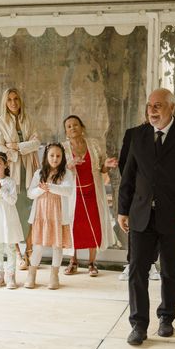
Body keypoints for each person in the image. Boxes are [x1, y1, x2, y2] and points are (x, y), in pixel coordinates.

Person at [118, 88, 175, 346]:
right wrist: (122, 210)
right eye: (149, 106)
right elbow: (128, 177)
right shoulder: (136, 136)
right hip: (141, 215)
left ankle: (166, 317)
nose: (152, 110)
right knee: (137, 270)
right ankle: (138, 325)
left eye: (158, 106)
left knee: (170, 271)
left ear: (172, 108)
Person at [61, 115, 117, 277]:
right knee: (73, 227)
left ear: (82, 127)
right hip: (73, 194)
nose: (73, 128)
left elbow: (101, 169)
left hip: (92, 192)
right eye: (69, 126)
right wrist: (69, 166)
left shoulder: (93, 144)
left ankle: (92, 263)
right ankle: (73, 261)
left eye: (76, 125)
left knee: (94, 226)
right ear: (66, 131)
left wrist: (106, 165)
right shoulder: (63, 148)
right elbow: (57, 171)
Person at [0, 88, 40, 269]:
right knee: (13, 214)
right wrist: (16, 152)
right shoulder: (0, 123)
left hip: (29, 170)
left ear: (20, 101)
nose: (13, 102)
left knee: (29, 213)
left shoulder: (29, 119)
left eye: (16, 99)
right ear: (5, 103)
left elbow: (36, 142)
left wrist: (16, 146)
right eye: (9, 100)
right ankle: (18, 254)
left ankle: (29, 251)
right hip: (12, 171)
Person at [26, 142, 75, 290]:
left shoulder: (67, 173)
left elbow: (67, 191)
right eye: (52, 155)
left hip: (58, 216)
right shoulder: (39, 173)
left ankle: (54, 275)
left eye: (58, 156)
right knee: (38, 246)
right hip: (41, 215)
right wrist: (42, 190)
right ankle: (31, 274)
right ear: (46, 156)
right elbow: (30, 193)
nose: (55, 158)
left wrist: (50, 187)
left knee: (57, 246)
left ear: (62, 157)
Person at [118, 120, 161, 281]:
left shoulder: (170, 133)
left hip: (159, 194)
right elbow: (125, 163)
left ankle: (151, 264)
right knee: (134, 227)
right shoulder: (133, 133)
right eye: (150, 106)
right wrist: (138, 184)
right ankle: (131, 263)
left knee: (156, 224)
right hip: (137, 192)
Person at [0, 151, 24, 289]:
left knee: (11, 247)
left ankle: (11, 275)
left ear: (5, 164)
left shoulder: (11, 182)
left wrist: (1, 191)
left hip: (8, 219)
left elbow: (12, 200)